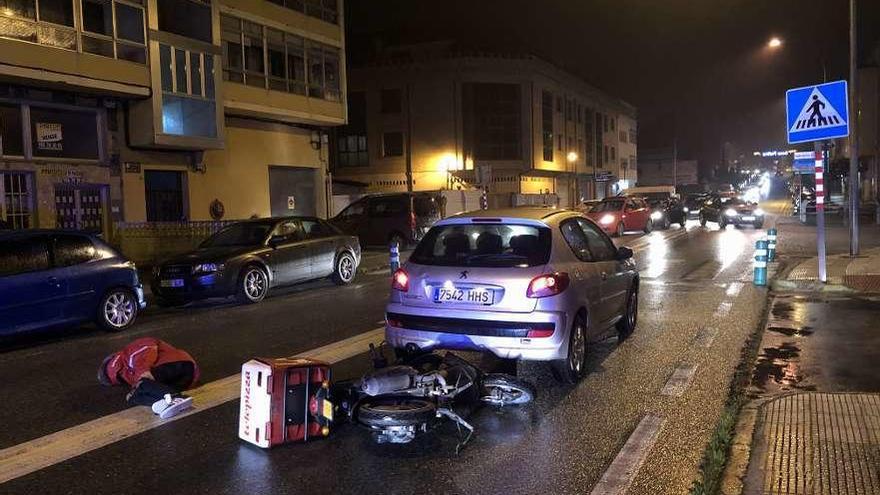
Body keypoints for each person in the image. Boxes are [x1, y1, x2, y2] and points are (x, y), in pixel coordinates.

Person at [98, 338, 199, 419]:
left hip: (174, 364)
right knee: (133, 395)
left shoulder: (126, 354)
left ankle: (173, 398)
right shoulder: (128, 372)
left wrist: (143, 370)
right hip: (186, 375)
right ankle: (167, 401)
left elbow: (148, 345)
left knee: (138, 389)